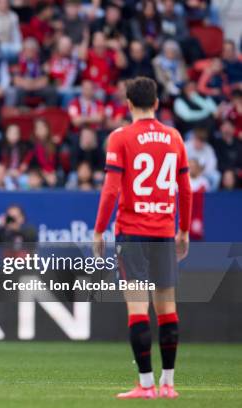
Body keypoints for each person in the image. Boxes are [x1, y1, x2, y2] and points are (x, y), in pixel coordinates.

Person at [94, 77, 192, 399]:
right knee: (167, 310)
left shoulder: (120, 137)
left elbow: (110, 189)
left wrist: (99, 229)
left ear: (128, 103)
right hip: (164, 232)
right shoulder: (174, 137)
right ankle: (169, 384)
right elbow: (186, 189)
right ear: (157, 103)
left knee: (137, 310)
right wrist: (184, 229)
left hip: (132, 233)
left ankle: (146, 385)